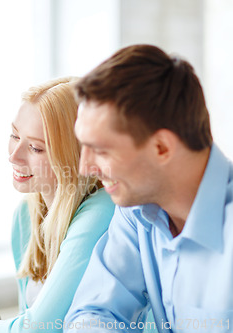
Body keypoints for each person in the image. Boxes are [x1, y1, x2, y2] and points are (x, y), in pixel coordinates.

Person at [63, 44, 232, 333]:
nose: (84, 168)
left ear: (161, 147)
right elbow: (92, 312)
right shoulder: (137, 210)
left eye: (101, 151)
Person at [0, 77, 115, 333]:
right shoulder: (26, 216)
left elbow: (38, 328)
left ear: (74, 154)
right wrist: (0, 324)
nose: (14, 155)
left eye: (35, 148)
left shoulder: (103, 210)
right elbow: (32, 321)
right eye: (14, 135)